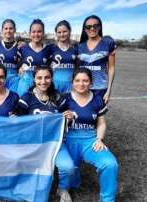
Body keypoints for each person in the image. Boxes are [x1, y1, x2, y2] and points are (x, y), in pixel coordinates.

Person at [60, 68, 118, 202]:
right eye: (78, 80)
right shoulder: (64, 99)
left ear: (91, 82)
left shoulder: (97, 100)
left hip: (90, 140)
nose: (81, 84)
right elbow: (55, 122)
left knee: (110, 164)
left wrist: (99, 139)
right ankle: (63, 188)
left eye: (85, 80)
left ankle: (108, 199)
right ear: (72, 82)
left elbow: (101, 123)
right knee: (70, 171)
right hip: (68, 139)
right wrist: (65, 119)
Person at [18, 66, 74, 202]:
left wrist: (68, 118)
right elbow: (19, 122)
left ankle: (63, 188)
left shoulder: (58, 97)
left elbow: (67, 121)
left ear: (52, 78)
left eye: (47, 77)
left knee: (69, 167)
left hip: (55, 143)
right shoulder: (27, 97)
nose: (43, 81)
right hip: (34, 144)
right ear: (34, 79)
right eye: (39, 78)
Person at [78, 15, 116, 103]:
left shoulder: (108, 43)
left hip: (100, 88)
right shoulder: (79, 46)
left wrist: (108, 91)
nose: (92, 28)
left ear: (100, 27)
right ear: (84, 29)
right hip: (83, 87)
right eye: (88, 26)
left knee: (100, 116)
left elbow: (111, 68)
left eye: (95, 25)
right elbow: (77, 69)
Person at [17, 19, 51, 96]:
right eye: (34, 31)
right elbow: (16, 64)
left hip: (42, 85)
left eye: (39, 31)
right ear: (30, 33)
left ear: (43, 33)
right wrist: (19, 68)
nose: (36, 34)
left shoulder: (49, 50)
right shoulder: (22, 48)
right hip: (25, 85)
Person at [0, 19, 20, 93]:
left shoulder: (20, 47)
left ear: (15, 30)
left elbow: (21, 64)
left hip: (14, 80)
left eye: (11, 28)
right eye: (6, 28)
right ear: (2, 30)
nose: (8, 31)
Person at [50, 20, 78, 94]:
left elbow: (79, 67)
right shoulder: (51, 48)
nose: (62, 34)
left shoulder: (76, 48)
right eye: (59, 32)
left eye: (64, 31)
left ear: (69, 31)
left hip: (71, 86)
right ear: (56, 33)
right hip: (55, 86)